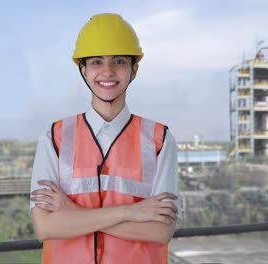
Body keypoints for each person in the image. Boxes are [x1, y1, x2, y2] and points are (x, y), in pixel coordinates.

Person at [29, 13, 180, 264]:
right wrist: (132, 212)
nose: (107, 72)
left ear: (134, 70)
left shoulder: (159, 140)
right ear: (83, 70)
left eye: (119, 61)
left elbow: (160, 231)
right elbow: (45, 227)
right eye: (97, 62)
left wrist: (73, 214)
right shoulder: (54, 138)